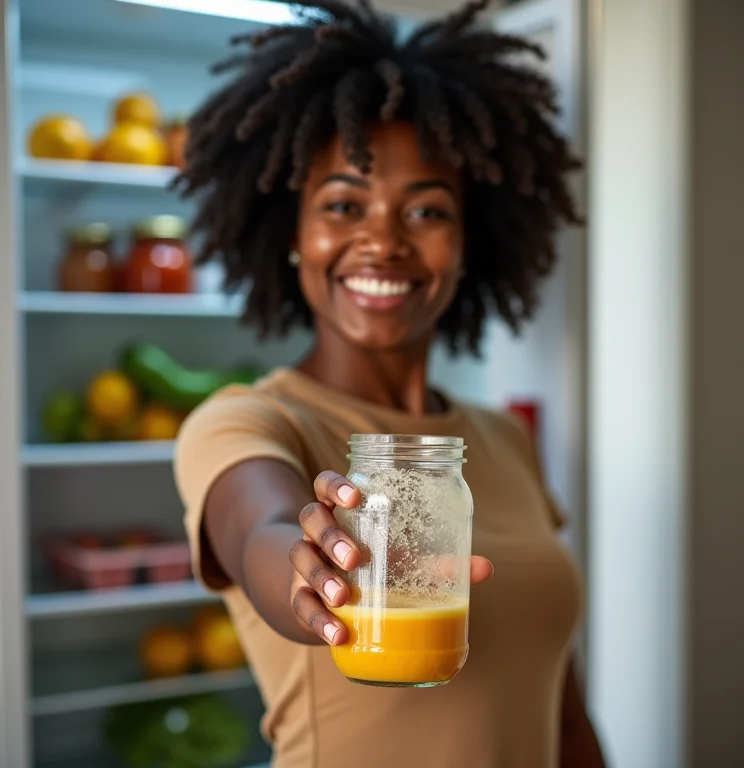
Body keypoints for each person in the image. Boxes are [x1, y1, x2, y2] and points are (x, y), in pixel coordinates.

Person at [173, 0, 606, 765]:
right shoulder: (248, 422)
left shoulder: (502, 440)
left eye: (428, 210)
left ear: (468, 244)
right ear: (293, 237)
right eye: (344, 204)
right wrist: (313, 568)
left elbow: (560, 708)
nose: (383, 239)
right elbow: (262, 533)